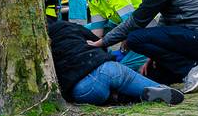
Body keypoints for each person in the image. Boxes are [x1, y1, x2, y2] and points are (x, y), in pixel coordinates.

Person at [47, 16, 183, 106]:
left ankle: (118, 97)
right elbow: (99, 43)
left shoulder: (41, 41)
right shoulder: (67, 27)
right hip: (103, 69)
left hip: (81, 89)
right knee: (125, 76)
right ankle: (158, 89)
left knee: (105, 92)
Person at [63, 0, 147, 71]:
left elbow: (131, 26)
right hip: (131, 27)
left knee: (119, 72)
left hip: (148, 29)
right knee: (80, 31)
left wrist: (122, 47)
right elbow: (96, 33)